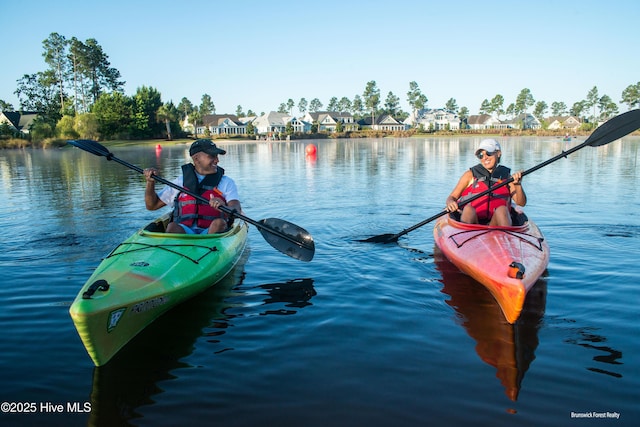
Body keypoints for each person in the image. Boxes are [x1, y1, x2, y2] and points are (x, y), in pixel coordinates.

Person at [143, 139, 242, 234]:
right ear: (196, 159)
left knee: (219, 223)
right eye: (212, 156)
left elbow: (236, 209)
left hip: (212, 234)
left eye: (217, 156)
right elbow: (152, 206)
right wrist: (150, 183)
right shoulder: (180, 182)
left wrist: (223, 207)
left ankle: (211, 248)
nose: (217, 160)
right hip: (185, 234)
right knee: (172, 227)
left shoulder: (227, 182)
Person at [445, 138, 526, 226]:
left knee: (502, 209)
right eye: (481, 155)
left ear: (498, 154)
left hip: (496, 224)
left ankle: (506, 236)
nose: (485, 157)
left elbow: (521, 203)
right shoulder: (470, 175)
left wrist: (517, 184)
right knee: (468, 209)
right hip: (473, 224)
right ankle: (466, 236)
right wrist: (450, 202)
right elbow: (452, 197)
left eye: (489, 153)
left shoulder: (506, 177)